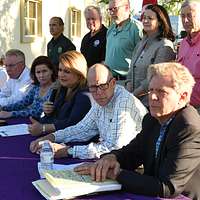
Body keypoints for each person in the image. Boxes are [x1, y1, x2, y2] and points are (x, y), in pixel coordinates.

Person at [75, 62, 200, 199]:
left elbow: (167, 187)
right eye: (151, 90)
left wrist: (115, 173)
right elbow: (133, 152)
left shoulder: (188, 127)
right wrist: (112, 158)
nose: (152, 97)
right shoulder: (152, 119)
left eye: (161, 92)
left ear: (182, 96)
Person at [30, 63, 147, 159]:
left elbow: (114, 147)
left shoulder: (123, 102)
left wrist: (68, 151)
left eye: (103, 85)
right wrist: (52, 137)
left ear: (113, 83)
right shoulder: (101, 98)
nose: (98, 92)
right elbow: (82, 129)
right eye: (93, 87)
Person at [28, 51, 92, 136]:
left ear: (79, 73)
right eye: (60, 70)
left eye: (67, 71)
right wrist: (47, 112)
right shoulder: (61, 88)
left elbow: (72, 123)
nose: (61, 75)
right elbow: (55, 117)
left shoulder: (84, 95)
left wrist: (43, 128)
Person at [126, 4, 176, 106]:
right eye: (144, 18)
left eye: (150, 18)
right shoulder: (141, 43)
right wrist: (128, 86)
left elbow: (155, 77)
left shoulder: (165, 46)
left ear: (160, 22)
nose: (145, 21)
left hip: (151, 103)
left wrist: (133, 95)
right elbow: (131, 69)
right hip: (133, 100)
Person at [105, 0, 143, 80]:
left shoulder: (136, 28)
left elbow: (142, 58)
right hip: (108, 80)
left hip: (125, 81)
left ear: (126, 8)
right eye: (110, 9)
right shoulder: (111, 28)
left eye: (115, 9)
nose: (111, 13)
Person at [178, 0, 200, 112]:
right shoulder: (182, 44)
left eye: (190, 16)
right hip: (184, 107)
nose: (185, 20)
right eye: (182, 16)